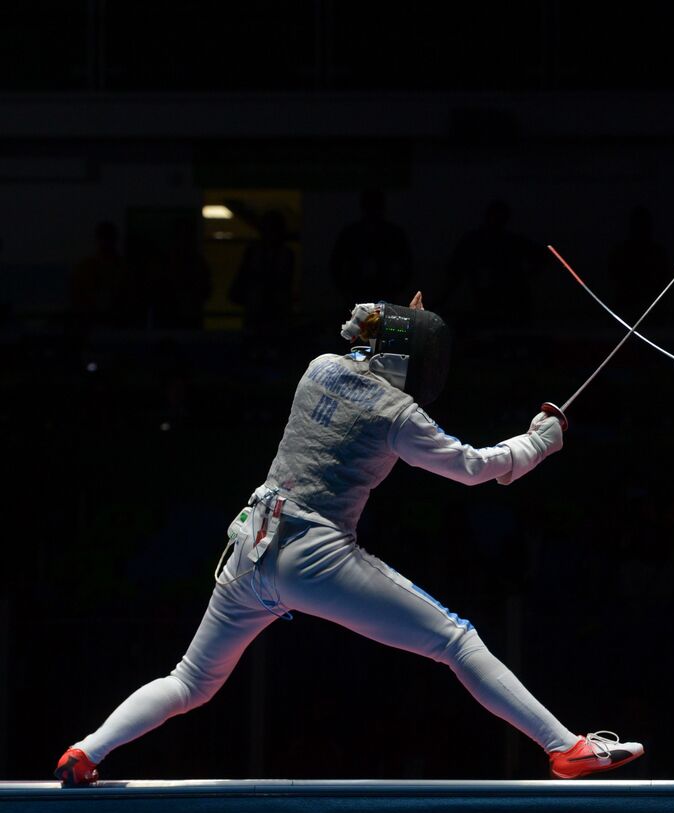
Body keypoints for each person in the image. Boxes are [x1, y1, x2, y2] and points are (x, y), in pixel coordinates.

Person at [54, 293, 643, 786]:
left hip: (252, 543)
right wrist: (538, 442)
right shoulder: (397, 412)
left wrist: (398, 324)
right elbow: (471, 467)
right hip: (315, 554)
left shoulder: (319, 368)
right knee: (456, 640)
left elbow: (367, 347)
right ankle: (566, 747)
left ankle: (86, 751)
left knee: (189, 680)